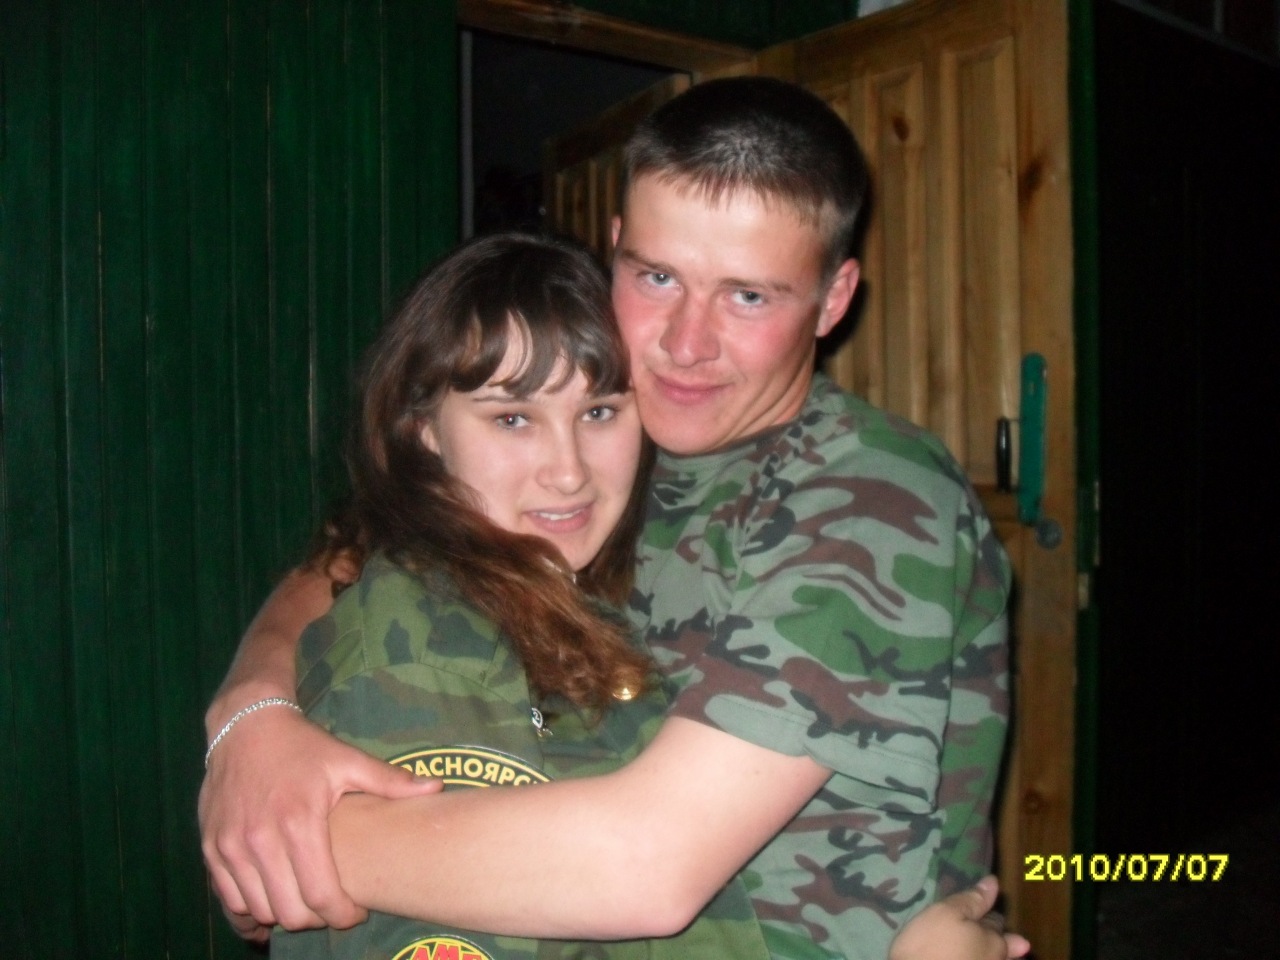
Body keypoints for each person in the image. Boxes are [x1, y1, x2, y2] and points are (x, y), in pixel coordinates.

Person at [201, 78, 1016, 960]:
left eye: (748, 296)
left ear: (833, 297)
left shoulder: (870, 497)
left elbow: (647, 866)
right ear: (616, 248)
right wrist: (252, 714)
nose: (685, 344)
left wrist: (289, 847)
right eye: (657, 277)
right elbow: (364, 550)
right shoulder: (627, 437)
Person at [265, 230, 781, 960]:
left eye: (599, 412)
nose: (568, 471)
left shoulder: (568, 595)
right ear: (425, 431)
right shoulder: (428, 647)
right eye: (513, 419)